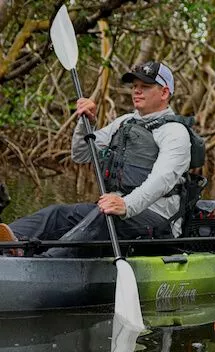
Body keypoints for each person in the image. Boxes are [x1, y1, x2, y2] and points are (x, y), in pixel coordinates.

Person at [0, 61, 191, 257]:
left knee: (103, 219)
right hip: (113, 211)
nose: (137, 91)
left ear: (165, 92)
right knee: (59, 213)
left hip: (158, 223)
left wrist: (126, 205)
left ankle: (42, 263)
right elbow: (81, 154)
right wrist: (87, 123)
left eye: (145, 87)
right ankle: (9, 244)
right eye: (134, 86)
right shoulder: (124, 122)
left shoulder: (176, 133)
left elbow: (161, 180)